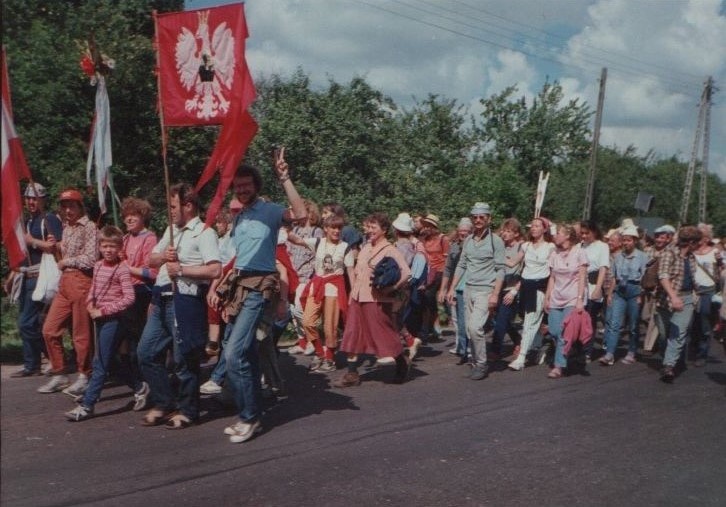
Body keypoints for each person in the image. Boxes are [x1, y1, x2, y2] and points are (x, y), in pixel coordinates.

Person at [221, 148, 307, 444]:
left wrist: (285, 177)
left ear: (255, 186)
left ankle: (250, 417)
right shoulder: (239, 218)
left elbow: (301, 214)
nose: (242, 190)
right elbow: (238, 258)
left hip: (260, 289)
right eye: (238, 186)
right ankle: (250, 412)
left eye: (247, 185)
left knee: (233, 353)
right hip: (238, 287)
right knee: (246, 353)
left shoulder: (269, 212)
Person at [137, 183, 221, 429]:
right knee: (146, 353)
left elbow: (215, 269)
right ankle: (165, 402)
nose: (170, 211)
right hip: (161, 297)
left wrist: (182, 269)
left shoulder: (205, 232)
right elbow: (151, 259)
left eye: (173, 206)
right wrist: (165, 257)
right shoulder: (170, 230)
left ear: (188, 205)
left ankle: (188, 409)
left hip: (185, 298)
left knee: (184, 358)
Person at [334, 212, 413, 387]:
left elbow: (407, 273)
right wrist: (352, 296)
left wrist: (392, 288)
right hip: (357, 297)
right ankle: (352, 373)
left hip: (377, 300)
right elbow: (357, 272)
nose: (369, 230)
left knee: (383, 335)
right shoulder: (365, 247)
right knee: (352, 334)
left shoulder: (390, 250)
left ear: (384, 230)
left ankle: (401, 362)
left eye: (373, 227)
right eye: (368, 227)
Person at [65, 226, 135, 421]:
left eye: (112, 246)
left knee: (100, 363)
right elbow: (94, 289)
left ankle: (88, 405)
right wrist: (89, 304)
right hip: (98, 318)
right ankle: (139, 386)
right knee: (108, 361)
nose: (108, 250)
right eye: (104, 246)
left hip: (113, 319)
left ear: (120, 248)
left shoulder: (122, 269)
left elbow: (129, 298)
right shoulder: (97, 266)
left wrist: (103, 311)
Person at [38, 189, 98, 395]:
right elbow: (63, 255)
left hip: (82, 280)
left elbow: (91, 258)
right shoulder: (66, 227)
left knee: (81, 334)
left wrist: (66, 261)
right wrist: (57, 248)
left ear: (80, 206)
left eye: (72, 205)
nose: (67, 210)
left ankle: (85, 374)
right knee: (49, 329)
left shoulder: (89, 227)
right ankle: (59, 373)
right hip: (65, 282)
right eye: (64, 206)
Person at [5, 183, 62, 377]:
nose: (31, 202)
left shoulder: (50, 219)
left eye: (35, 198)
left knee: (26, 323)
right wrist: (12, 275)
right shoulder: (30, 222)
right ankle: (36, 362)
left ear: (43, 200)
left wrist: (32, 241)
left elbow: (57, 247)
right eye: (28, 198)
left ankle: (49, 360)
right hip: (27, 275)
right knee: (33, 323)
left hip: (42, 276)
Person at [445, 202, 505, 381]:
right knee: (469, 329)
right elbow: (461, 265)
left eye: (482, 217)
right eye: (475, 217)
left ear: (489, 218)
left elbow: (501, 269)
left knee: (474, 327)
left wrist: (495, 294)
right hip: (469, 289)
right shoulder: (469, 240)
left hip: (485, 290)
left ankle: (481, 363)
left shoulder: (496, 241)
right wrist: (452, 288)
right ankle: (475, 360)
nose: (478, 220)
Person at [301, 213, 355, 372]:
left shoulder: (345, 247)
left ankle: (330, 359)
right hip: (317, 285)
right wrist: (284, 225)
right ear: (325, 229)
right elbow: (296, 240)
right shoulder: (318, 242)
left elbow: (351, 272)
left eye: (339, 228)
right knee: (307, 321)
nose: (336, 231)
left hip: (334, 287)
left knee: (330, 326)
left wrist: (352, 294)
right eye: (333, 227)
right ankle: (319, 352)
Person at [118, 197, 157, 411]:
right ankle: (140, 385)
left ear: (143, 217)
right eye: (126, 215)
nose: (129, 219)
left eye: (134, 215)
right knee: (120, 349)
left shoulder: (149, 238)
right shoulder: (123, 239)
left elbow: (151, 272)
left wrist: (126, 268)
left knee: (135, 346)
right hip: (123, 293)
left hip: (140, 293)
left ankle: (146, 386)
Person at [655, 225, 702, 382]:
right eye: (697, 243)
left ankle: (668, 366)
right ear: (690, 242)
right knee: (664, 335)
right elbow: (663, 276)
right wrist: (673, 297)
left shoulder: (691, 258)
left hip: (687, 298)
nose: (699, 246)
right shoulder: (669, 254)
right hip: (665, 300)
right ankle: (671, 359)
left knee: (678, 333)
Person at [508, 216, 555, 371]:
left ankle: (521, 357)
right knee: (531, 322)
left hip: (539, 288)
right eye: (532, 226)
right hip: (526, 288)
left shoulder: (550, 247)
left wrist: (549, 295)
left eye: (537, 226)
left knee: (529, 323)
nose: (533, 228)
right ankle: (538, 347)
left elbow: (553, 273)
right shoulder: (526, 246)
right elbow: (512, 262)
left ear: (544, 229)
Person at [543, 223, 588, 379]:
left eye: (559, 233)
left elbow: (582, 277)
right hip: (557, 297)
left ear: (568, 236)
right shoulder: (554, 253)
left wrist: (580, 299)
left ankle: (559, 366)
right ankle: (570, 349)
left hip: (572, 297)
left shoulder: (579, 253)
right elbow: (552, 277)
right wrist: (547, 297)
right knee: (554, 331)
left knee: (563, 332)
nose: (556, 236)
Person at [599, 226, 649, 365]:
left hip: (635, 290)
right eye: (624, 240)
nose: (626, 243)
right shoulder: (618, 257)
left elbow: (645, 278)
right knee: (614, 323)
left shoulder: (642, 256)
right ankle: (610, 353)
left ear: (634, 241)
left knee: (633, 324)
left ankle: (632, 351)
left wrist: (641, 295)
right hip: (619, 291)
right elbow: (614, 277)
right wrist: (610, 294)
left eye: (628, 240)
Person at [286, 199, 324, 355]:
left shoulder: (317, 232)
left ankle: (313, 340)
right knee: (293, 310)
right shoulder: (294, 231)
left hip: (307, 276)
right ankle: (302, 342)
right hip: (293, 275)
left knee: (300, 310)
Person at [491, 218, 523, 360]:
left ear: (516, 234)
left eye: (509, 231)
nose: (504, 233)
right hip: (498, 286)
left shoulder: (522, 247)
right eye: (503, 230)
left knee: (502, 319)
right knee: (498, 318)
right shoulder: (501, 246)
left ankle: (495, 349)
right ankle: (518, 339)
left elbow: (520, 269)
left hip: (512, 287)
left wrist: (514, 291)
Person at [440, 217, 472, 363]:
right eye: (461, 230)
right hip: (456, 286)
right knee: (457, 319)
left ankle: (470, 349)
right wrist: (443, 289)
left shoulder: (475, 246)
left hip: (471, 286)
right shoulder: (453, 247)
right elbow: (447, 269)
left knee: (468, 321)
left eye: (466, 231)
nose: (463, 233)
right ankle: (462, 348)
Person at [691, 223, 721, 367]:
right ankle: (692, 348)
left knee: (704, 323)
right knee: (691, 322)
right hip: (692, 291)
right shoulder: (691, 252)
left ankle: (702, 352)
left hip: (708, 291)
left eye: (701, 236)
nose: (698, 239)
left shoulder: (714, 252)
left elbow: (722, 272)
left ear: (707, 238)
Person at [579, 220, 610, 361]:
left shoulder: (602, 246)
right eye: (582, 233)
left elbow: (603, 268)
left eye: (587, 233)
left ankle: (587, 350)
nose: (584, 236)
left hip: (593, 284)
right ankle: (578, 347)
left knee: (589, 319)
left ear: (594, 232)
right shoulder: (579, 246)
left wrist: (598, 288)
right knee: (579, 318)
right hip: (580, 286)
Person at [419, 214, 449, 340]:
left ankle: (440, 326)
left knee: (437, 299)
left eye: (429, 226)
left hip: (440, 272)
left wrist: (447, 277)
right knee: (427, 299)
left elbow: (447, 259)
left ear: (434, 227)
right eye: (425, 225)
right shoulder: (424, 239)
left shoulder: (443, 239)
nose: (426, 228)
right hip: (428, 272)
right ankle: (429, 326)